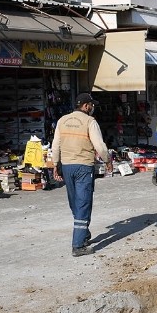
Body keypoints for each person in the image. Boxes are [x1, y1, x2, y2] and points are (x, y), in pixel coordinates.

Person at [51, 93, 113, 256]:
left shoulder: (62, 120)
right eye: (91, 105)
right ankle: (78, 246)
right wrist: (107, 160)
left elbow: (55, 145)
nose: (93, 108)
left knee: (75, 202)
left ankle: (83, 234)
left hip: (67, 166)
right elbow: (99, 145)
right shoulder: (90, 122)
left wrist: (55, 164)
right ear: (86, 106)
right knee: (83, 203)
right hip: (83, 167)